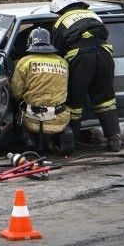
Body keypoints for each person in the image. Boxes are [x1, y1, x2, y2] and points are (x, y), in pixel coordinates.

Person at [50, 0, 122, 152]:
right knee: (106, 99)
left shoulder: (61, 21)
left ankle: (71, 142)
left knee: (74, 102)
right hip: (104, 55)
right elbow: (104, 34)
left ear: (59, 10)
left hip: (82, 59)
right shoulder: (92, 14)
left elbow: (57, 49)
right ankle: (114, 139)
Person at [11, 27, 74, 156]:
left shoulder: (24, 62)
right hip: (59, 117)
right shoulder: (62, 62)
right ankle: (58, 138)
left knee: (17, 116)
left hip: (32, 117)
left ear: (30, 43)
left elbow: (16, 93)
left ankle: (29, 140)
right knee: (61, 115)